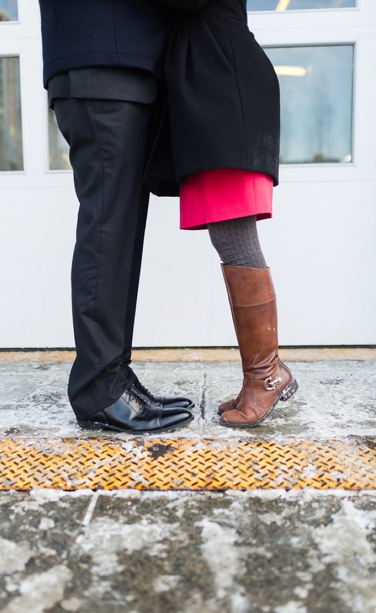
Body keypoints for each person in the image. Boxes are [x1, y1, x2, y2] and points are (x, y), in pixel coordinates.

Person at [38, 0, 196, 433]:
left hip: (117, 65)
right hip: (102, 62)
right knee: (108, 230)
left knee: (120, 233)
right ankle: (98, 388)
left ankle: (113, 375)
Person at [149, 0, 298, 426]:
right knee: (227, 235)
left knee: (235, 234)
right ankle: (265, 373)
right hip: (212, 87)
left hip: (223, 89)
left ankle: (266, 376)